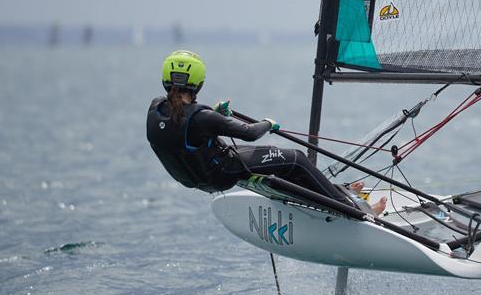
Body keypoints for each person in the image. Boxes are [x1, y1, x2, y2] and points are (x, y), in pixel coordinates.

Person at [146, 50, 386, 215]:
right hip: (222, 172)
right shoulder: (203, 118)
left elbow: (188, 128)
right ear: (199, 82)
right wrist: (267, 123)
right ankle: (354, 209)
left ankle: (334, 192)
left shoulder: (156, 108)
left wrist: (218, 114)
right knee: (296, 159)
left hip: (198, 175)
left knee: (280, 163)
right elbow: (250, 133)